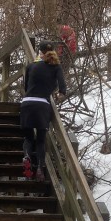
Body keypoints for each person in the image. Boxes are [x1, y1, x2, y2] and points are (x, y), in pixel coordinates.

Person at [20, 40, 66, 182]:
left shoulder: (31, 66)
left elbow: (26, 87)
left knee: (28, 138)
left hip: (27, 103)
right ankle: (40, 167)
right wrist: (59, 94)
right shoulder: (56, 66)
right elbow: (62, 87)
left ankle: (27, 156)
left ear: (39, 52)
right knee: (40, 140)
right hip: (42, 105)